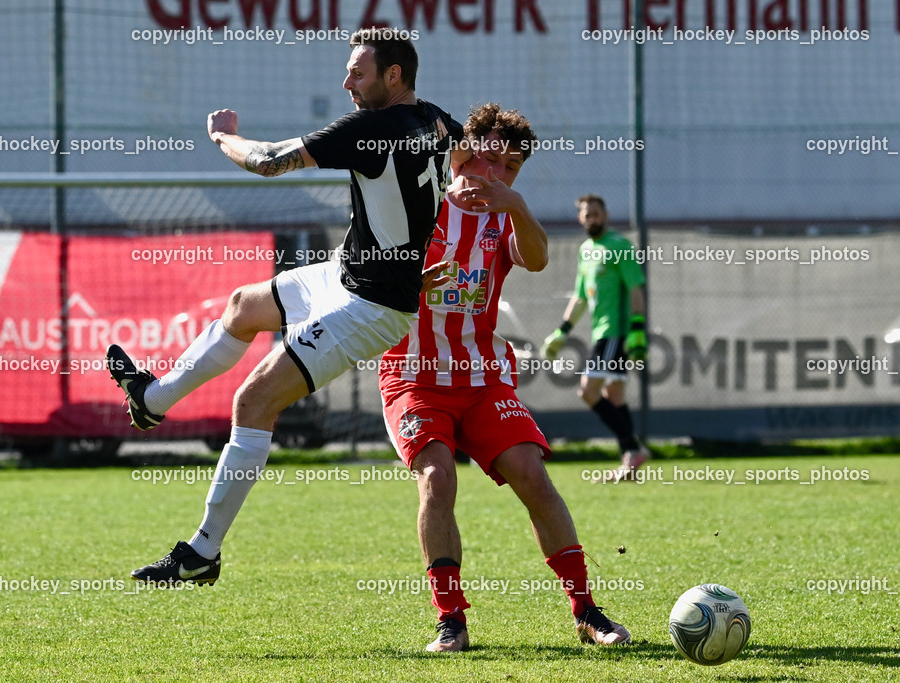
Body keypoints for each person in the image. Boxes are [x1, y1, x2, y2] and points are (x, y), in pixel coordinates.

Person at [106, 28, 465, 585]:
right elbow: (463, 176)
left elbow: (271, 161)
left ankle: (202, 553)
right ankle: (152, 400)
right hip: (350, 274)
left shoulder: (372, 127)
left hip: (373, 306)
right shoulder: (439, 120)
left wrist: (224, 137)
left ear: (393, 76)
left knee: (252, 403)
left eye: (358, 73)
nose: (346, 82)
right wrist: (429, 252)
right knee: (243, 306)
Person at [379, 105, 631, 652]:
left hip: (483, 379)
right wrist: (410, 284)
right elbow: (374, 278)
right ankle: (451, 620)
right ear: (466, 151)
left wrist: (515, 203)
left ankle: (587, 612)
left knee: (532, 475)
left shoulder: (504, 216)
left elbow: (537, 259)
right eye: (491, 157)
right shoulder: (418, 203)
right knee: (437, 479)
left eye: (512, 169)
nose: (498, 173)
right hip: (415, 377)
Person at [542, 195, 650, 482]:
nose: (591, 219)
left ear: (606, 215)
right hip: (601, 332)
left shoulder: (619, 246)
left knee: (588, 391)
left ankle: (633, 449)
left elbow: (636, 288)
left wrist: (638, 327)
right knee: (613, 397)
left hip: (616, 332)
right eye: (586, 215)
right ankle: (631, 457)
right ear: (580, 218)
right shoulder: (585, 250)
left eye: (596, 214)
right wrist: (562, 331)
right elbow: (580, 296)